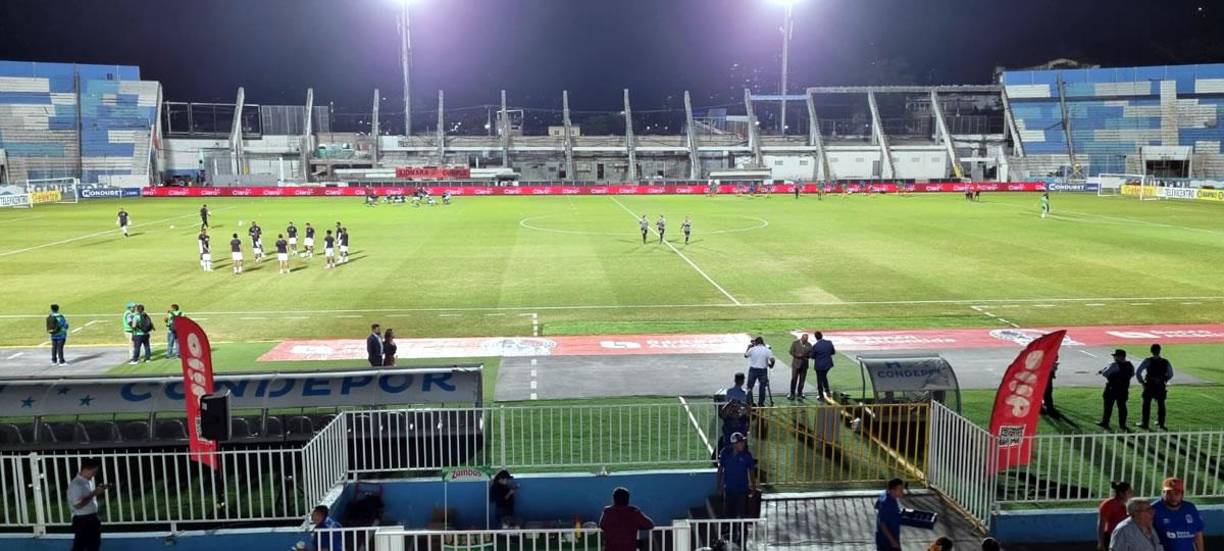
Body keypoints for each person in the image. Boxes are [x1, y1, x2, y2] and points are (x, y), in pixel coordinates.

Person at [1150, 477, 1205, 551]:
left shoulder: (1190, 508)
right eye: (1169, 493)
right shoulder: (1153, 509)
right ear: (1163, 493)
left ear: (1182, 494)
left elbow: (1198, 534)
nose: (1173, 497)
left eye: (1176, 493)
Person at [68, 457, 110, 551]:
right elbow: (78, 504)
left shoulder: (86, 482)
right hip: (83, 520)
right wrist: (94, 493)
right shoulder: (76, 484)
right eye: (94, 472)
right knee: (81, 546)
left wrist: (95, 492)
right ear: (86, 469)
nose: (94, 475)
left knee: (93, 546)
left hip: (90, 518)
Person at [716, 432, 757, 519]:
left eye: (743, 442)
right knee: (729, 514)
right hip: (729, 489)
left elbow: (751, 472)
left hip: (742, 490)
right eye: (740, 442)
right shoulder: (725, 453)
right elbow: (720, 470)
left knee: (742, 514)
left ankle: (743, 531)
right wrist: (719, 486)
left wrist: (753, 488)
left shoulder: (747, 455)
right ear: (734, 444)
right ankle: (732, 531)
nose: (743, 444)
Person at [1136, 343, 1173, 430]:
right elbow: (1171, 374)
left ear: (1151, 351)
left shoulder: (1148, 360)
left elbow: (1138, 372)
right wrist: (1164, 380)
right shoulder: (1165, 361)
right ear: (1160, 351)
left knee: (1146, 404)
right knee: (1161, 404)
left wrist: (1142, 382)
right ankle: (1161, 423)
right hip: (1160, 385)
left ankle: (1145, 423)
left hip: (1150, 385)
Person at [1098, 349, 1135, 431]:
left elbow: (1105, 373)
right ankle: (1122, 424)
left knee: (1108, 406)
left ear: (1120, 356)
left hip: (1112, 388)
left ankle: (1105, 422)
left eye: (1116, 356)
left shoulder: (1114, 365)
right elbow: (1132, 374)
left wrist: (1103, 371)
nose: (1114, 357)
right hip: (1124, 388)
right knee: (1122, 407)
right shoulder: (1130, 365)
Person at [1098, 481, 1133, 551]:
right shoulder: (1108, 505)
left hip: (1128, 537)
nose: (1131, 493)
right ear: (1121, 493)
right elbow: (1101, 524)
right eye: (1129, 491)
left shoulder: (1131, 504)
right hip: (1112, 537)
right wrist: (1101, 542)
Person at [743, 337, 775, 406]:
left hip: (753, 370)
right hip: (763, 371)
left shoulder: (752, 349)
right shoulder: (767, 350)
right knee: (762, 388)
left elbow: (745, 355)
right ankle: (761, 403)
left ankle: (750, 403)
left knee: (749, 387)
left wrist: (748, 347)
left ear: (756, 343)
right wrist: (771, 365)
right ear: (762, 342)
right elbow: (772, 360)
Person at [875, 478, 905, 551]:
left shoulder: (885, 495)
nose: (903, 492)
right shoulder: (887, 504)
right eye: (900, 490)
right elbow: (883, 525)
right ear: (892, 490)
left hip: (888, 537)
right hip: (887, 541)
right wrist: (893, 542)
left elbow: (876, 506)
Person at [809, 331, 837, 401]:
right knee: (824, 377)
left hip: (819, 366)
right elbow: (833, 352)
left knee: (819, 380)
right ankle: (827, 392)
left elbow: (812, 356)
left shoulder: (815, 346)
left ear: (815, 337)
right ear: (822, 335)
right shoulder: (829, 343)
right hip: (828, 364)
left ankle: (821, 395)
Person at [788, 333, 812, 400]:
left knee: (802, 380)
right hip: (796, 364)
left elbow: (811, 354)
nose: (806, 341)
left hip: (804, 365)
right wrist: (797, 355)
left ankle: (800, 393)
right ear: (802, 338)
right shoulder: (795, 343)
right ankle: (792, 393)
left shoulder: (809, 345)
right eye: (804, 339)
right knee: (794, 379)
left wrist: (807, 356)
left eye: (806, 339)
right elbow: (791, 351)